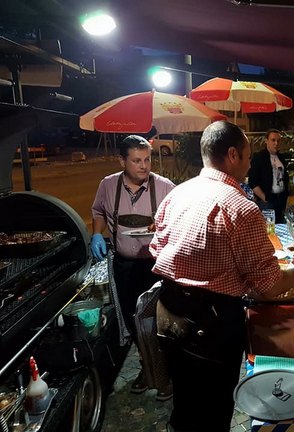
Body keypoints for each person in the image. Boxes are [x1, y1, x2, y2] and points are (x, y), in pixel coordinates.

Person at [149, 121, 294, 432]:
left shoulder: (177, 193)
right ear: (233, 155)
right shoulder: (241, 207)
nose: (251, 163)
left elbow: (157, 247)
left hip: (167, 314)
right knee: (213, 409)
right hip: (210, 324)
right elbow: (268, 286)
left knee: (184, 399)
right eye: (249, 157)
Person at [90, 134, 175, 399]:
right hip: (124, 266)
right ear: (122, 161)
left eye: (147, 159)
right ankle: (146, 368)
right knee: (133, 320)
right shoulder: (108, 185)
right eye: (137, 160)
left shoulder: (165, 187)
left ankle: (166, 373)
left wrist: (161, 227)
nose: (144, 166)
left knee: (160, 321)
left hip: (155, 266)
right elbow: (99, 212)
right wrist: (96, 233)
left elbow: (177, 221)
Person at [248, 129, 290, 222]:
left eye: (278, 141)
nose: (276, 143)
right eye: (273, 140)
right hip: (267, 201)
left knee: (280, 226)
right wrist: (264, 197)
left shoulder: (281, 158)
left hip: (281, 199)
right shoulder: (259, 158)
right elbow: (253, 181)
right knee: (268, 228)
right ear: (266, 141)